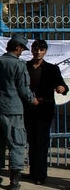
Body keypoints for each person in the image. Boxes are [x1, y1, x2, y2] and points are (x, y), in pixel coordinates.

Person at [0, 33, 37, 190]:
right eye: (21, 49)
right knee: (17, 144)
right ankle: (14, 181)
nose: (21, 52)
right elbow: (23, 88)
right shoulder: (19, 65)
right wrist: (32, 99)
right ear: (17, 47)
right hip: (13, 110)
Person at [24, 38, 68, 185]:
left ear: (45, 51)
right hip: (29, 109)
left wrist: (62, 89)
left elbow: (62, 85)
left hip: (44, 109)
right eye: (35, 49)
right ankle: (33, 172)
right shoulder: (25, 67)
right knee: (32, 141)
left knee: (42, 142)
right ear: (32, 50)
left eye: (41, 49)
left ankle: (40, 175)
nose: (38, 52)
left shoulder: (51, 69)